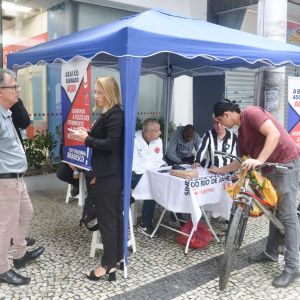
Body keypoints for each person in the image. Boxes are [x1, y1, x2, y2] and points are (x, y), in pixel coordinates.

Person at [210, 99, 300, 288]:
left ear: (227, 115)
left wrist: (259, 160)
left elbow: (273, 134)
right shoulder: (241, 133)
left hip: (286, 164)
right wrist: (221, 170)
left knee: (288, 216)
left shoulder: (251, 113)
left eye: (219, 121)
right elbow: (242, 160)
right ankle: (271, 252)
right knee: (273, 211)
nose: (220, 125)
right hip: (270, 169)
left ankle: (293, 267)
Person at [71, 76, 123, 281]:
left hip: (109, 175)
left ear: (110, 92)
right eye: (95, 92)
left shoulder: (115, 114)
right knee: (112, 218)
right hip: (106, 173)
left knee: (107, 220)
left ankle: (107, 265)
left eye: (100, 92)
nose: (96, 96)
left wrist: (86, 138)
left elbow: (111, 145)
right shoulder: (110, 113)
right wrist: (88, 134)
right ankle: (116, 256)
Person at [0, 69, 45, 286]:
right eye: (13, 87)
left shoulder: (7, 113)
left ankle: (19, 254)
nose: (18, 90)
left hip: (17, 177)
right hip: (6, 180)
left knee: (27, 212)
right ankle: (2, 269)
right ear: (0, 91)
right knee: (5, 226)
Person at [192, 114, 238, 220]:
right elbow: (201, 149)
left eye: (221, 123)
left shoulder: (233, 137)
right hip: (211, 171)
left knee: (227, 196)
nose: (219, 126)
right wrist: (197, 161)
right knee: (210, 193)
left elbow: (236, 157)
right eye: (216, 123)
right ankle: (211, 215)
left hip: (227, 173)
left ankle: (227, 216)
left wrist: (236, 172)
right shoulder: (208, 135)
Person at [132, 118, 165, 236]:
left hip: (151, 172)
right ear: (147, 133)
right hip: (134, 174)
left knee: (165, 182)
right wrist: (151, 171)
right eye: (157, 131)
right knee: (152, 188)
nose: (160, 133)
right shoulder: (134, 139)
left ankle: (175, 216)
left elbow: (158, 160)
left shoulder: (158, 141)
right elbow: (135, 165)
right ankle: (145, 224)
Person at [10, 98, 35, 247]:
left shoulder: (11, 105)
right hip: (6, 169)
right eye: (13, 87)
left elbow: (24, 121)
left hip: (12, 167)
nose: (16, 90)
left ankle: (17, 239)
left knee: (20, 208)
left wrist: (16, 101)